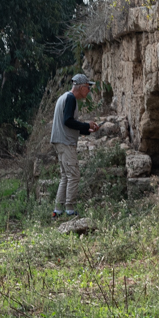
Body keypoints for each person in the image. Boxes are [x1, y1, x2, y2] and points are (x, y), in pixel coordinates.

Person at [50, 74, 98, 219]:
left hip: (60, 141)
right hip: (65, 143)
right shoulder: (70, 98)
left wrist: (86, 130)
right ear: (82, 87)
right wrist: (86, 125)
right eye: (88, 87)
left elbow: (69, 123)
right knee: (74, 175)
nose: (89, 91)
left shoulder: (64, 97)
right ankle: (69, 209)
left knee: (66, 176)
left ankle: (58, 210)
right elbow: (68, 121)